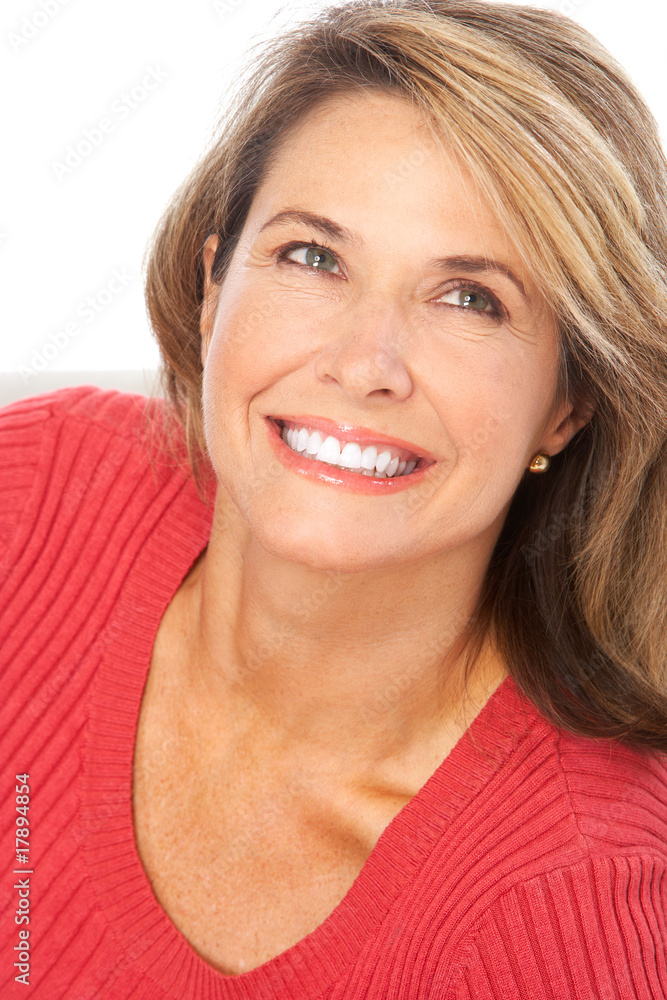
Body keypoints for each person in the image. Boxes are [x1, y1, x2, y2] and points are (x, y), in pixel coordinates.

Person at [1, 1, 666, 997]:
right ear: (213, 285)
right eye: (313, 257)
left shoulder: (573, 905)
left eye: (470, 297)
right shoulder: (36, 486)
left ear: (568, 405)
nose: (364, 364)